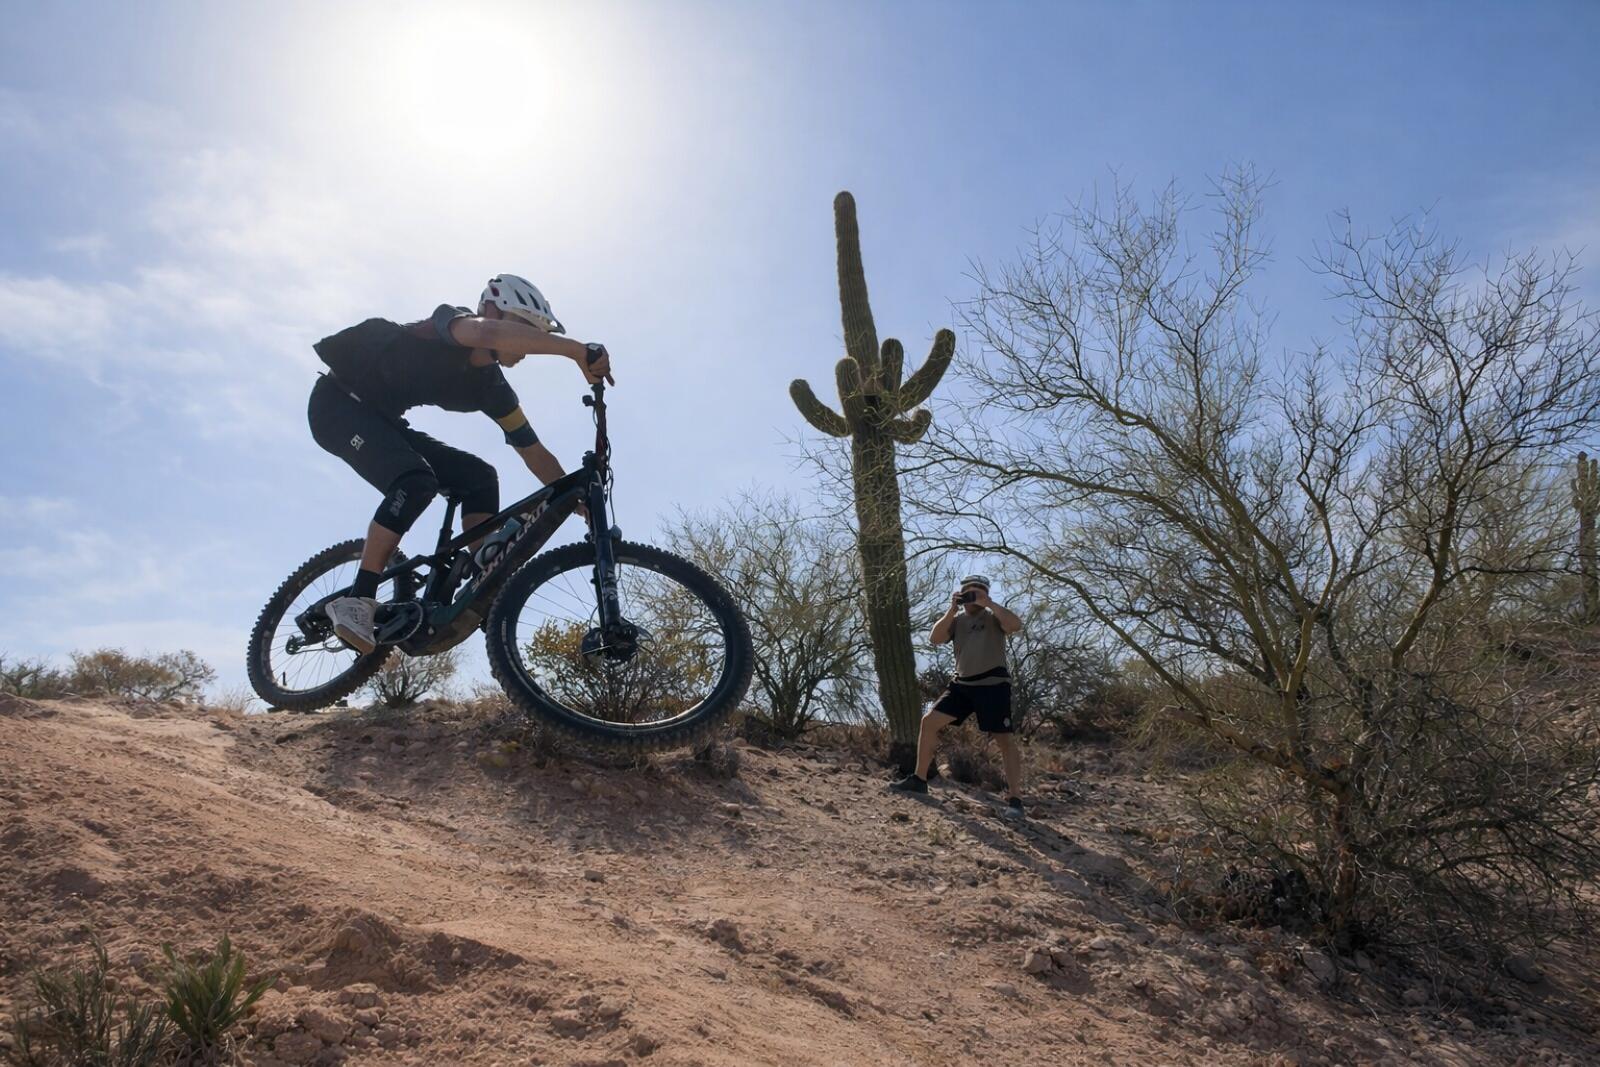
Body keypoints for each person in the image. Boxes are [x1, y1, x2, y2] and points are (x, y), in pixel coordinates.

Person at [308, 274, 614, 654]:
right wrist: (573, 350)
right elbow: (488, 334)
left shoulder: (493, 390)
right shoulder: (455, 324)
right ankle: (359, 598)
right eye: (524, 328)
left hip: (384, 420)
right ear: (491, 310)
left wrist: (575, 498)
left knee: (479, 476)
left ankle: (482, 567)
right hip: (337, 404)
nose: (528, 345)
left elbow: (532, 451)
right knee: (416, 481)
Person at [890, 575, 1027, 816]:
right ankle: (919, 780)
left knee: (1004, 739)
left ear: (985, 594)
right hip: (962, 684)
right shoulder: (957, 620)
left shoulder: (994, 616)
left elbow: (1015, 625)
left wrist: (990, 603)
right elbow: (935, 638)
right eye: (967, 593)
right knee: (929, 722)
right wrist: (951, 610)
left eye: (977, 592)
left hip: (993, 683)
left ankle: (1015, 799)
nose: (971, 597)